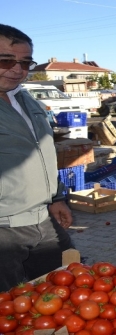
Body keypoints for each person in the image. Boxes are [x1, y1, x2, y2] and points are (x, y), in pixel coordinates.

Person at [0, 24, 73, 291]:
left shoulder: (25, 99)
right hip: (4, 233)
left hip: (43, 222)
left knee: (61, 298)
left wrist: (56, 197)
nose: (17, 69)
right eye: (6, 60)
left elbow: (43, 152)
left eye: (25, 62)